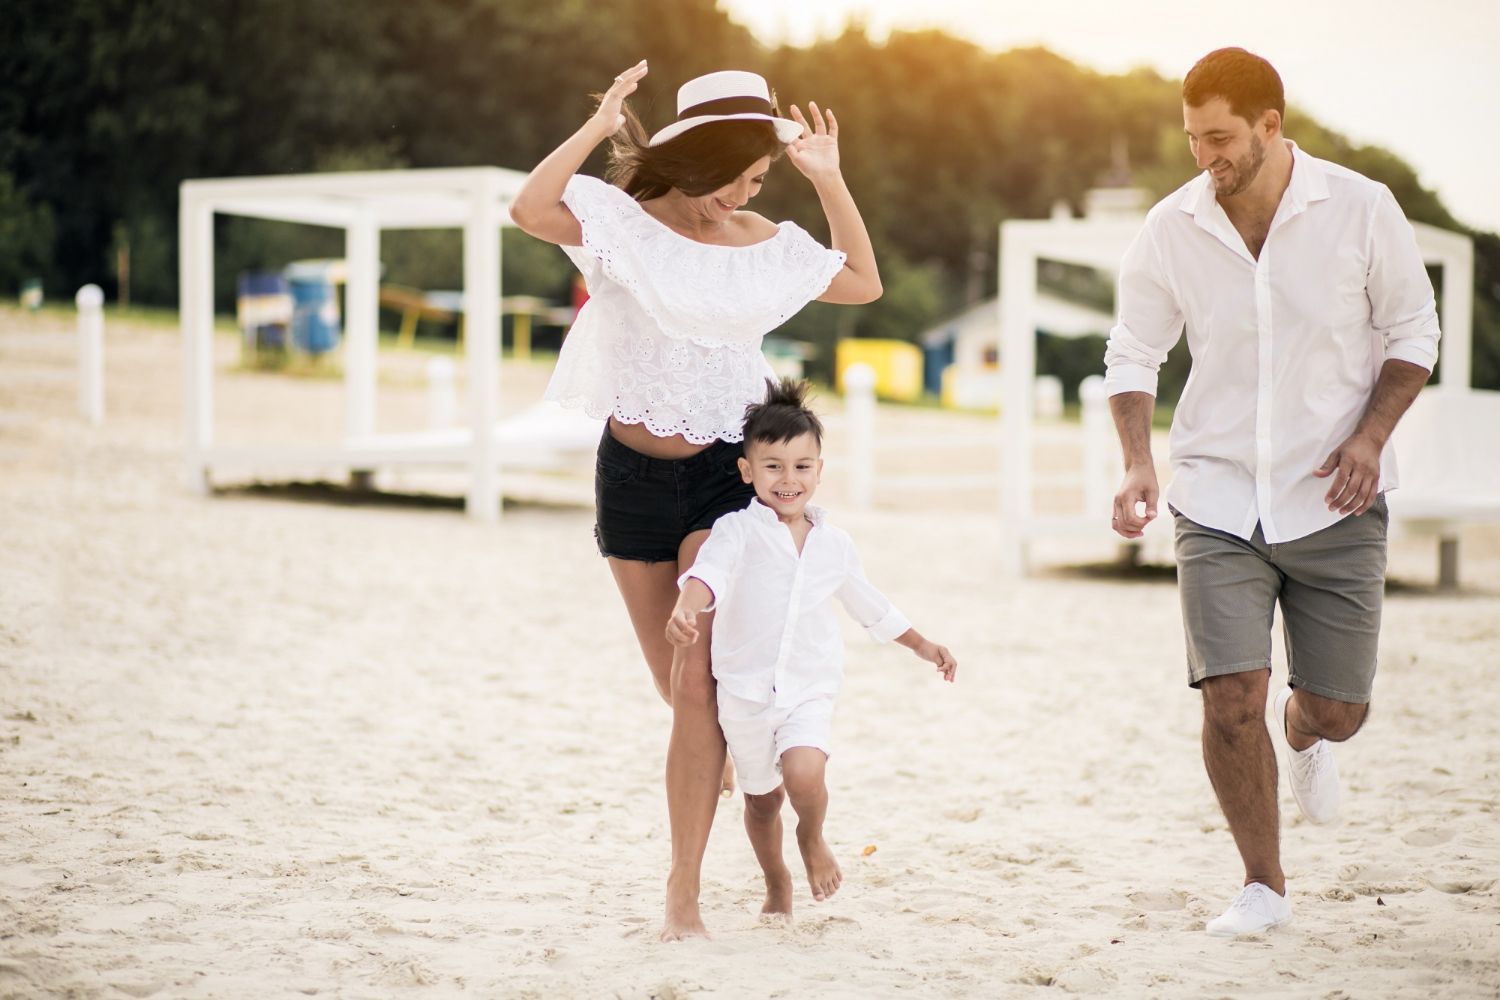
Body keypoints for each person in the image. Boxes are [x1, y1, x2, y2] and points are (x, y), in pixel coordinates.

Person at [508, 64, 882, 941]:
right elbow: (530, 209)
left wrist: (826, 178)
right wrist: (600, 125)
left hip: (725, 476)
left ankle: (683, 892)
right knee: (688, 701)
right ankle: (724, 765)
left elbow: (862, 280)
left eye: (760, 179)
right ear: (694, 159)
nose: (745, 194)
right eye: (737, 176)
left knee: (693, 683)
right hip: (631, 479)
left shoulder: (764, 242)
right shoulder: (622, 227)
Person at [1103, 47, 1440, 937]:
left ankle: (1307, 733)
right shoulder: (1171, 228)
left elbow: (1415, 331)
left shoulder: (1362, 209)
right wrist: (1138, 460)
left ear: (1270, 126)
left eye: (1220, 138)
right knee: (1229, 697)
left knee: (1337, 709)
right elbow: (1133, 350)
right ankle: (1263, 886)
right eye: (1191, 139)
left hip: (1335, 492)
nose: (1204, 156)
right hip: (1215, 495)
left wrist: (1370, 438)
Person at [665, 378, 957, 919]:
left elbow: (869, 604)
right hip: (746, 695)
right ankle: (777, 881)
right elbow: (708, 574)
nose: (788, 479)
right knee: (760, 801)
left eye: (802, 466)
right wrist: (686, 605)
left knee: (804, 774)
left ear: (820, 470)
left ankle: (812, 837)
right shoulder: (736, 532)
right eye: (772, 466)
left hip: (808, 689)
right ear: (747, 471)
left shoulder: (834, 545)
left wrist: (921, 644)